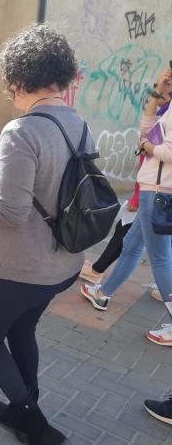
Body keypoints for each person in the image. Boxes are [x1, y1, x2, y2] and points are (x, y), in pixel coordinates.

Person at [0, 25, 85, 444]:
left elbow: (10, 212)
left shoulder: (20, 131)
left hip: (18, 268)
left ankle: (32, 420)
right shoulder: (77, 123)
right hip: (62, 262)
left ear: (18, 80)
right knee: (22, 330)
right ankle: (24, 400)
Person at [80, 67, 172, 346]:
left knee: (160, 258)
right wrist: (157, 96)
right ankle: (103, 293)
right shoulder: (168, 107)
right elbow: (146, 131)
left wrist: (148, 148)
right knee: (132, 243)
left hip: (160, 192)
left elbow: (162, 148)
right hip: (153, 190)